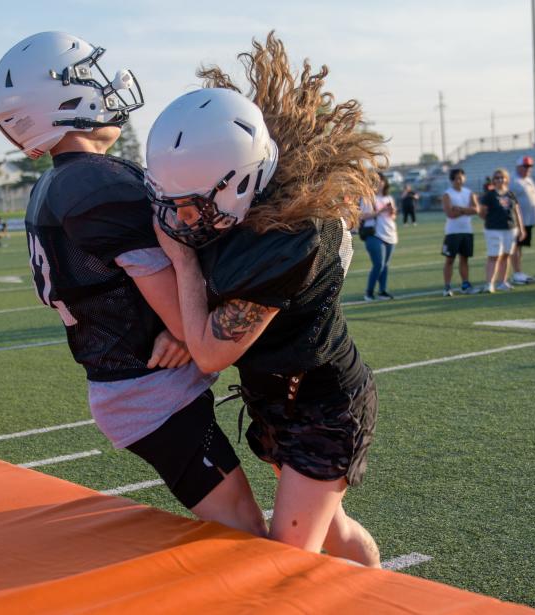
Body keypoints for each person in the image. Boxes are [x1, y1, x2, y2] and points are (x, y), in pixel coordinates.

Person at [0, 31, 266, 538]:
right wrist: (185, 331)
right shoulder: (95, 183)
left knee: (245, 523)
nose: (103, 85)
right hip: (150, 391)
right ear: (62, 99)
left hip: (131, 382)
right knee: (244, 527)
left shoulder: (64, 182)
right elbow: (184, 320)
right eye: (87, 75)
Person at [146, 36, 382, 566]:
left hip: (321, 405)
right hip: (278, 398)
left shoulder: (290, 238)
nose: (182, 219)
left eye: (192, 205)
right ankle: (380, 591)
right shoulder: (252, 204)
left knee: (285, 561)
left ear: (239, 182)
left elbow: (210, 352)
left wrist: (183, 264)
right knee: (335, 530)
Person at [478, 168, 524, 293]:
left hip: (510, 228)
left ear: (506, 179)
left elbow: (517, 211)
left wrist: (521, 228)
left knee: (506, 256)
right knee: (494, 256)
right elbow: (481, 211)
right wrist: (490, 220)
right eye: (497, 178)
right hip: (494, 229)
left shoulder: (510, 194)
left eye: (502, 177)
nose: (500, 180)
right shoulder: (489, 195)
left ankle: (502, 282)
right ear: (493, 180)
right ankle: (489, 283)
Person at [441, 168, 480, 296]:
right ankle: (447, 287)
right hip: (452, 232)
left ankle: (465, 284)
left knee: (465, 259)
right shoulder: (448, 194)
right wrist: (466, 210)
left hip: (467, 231)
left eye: (461, 177)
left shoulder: (469, 193)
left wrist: (461, 209)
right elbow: (450, 214)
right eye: (456, 178)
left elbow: (476, 210)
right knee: (450, 260)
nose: (459, 180)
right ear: (452, 180)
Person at [360, 173, 398, 301]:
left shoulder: (388, 198)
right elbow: (362, 216)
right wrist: (379, 212)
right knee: (378, 264)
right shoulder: (368, 198)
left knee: (385, 265)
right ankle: (369, 292)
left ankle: (382, 291)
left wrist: (392, 212)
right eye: (375, 181)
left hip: (390, 233)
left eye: (381, 181)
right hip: (374, 234)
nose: (379, 183)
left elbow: (392, 217)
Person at [509, 155, 535, 285]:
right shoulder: (513, 181)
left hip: (528, 220)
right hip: (517, 221)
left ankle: (519, 272)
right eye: (525, 166)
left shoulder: (528, 180)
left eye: (530, 166)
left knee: (519, 248)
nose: (528, 169)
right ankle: (516, 273)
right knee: (515, 247)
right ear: (518, 167)